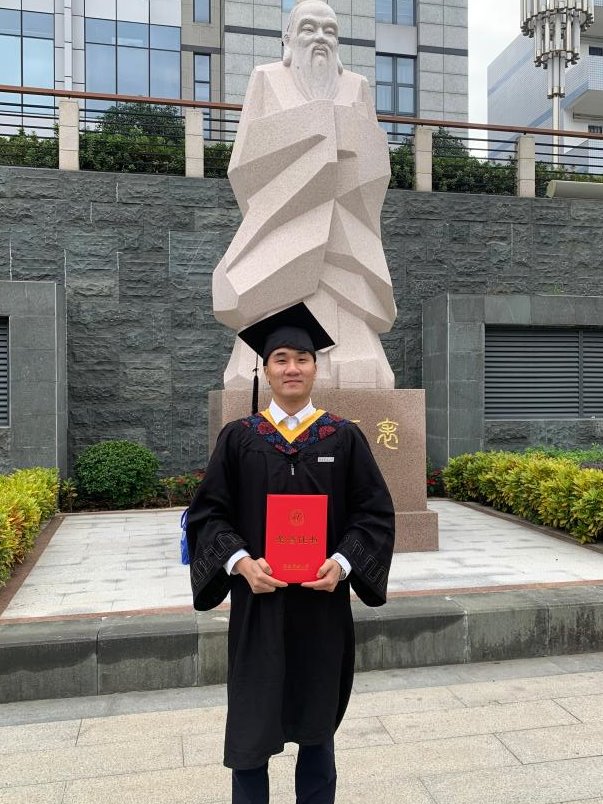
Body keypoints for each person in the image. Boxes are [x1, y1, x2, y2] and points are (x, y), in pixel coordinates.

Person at [186, 304, 395, 804]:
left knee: (317, 727)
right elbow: (208, 514)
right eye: (280, 359)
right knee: (251, 729)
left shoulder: (342, 436)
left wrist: (342, 563)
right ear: (265, 369)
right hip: (259, 605)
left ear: (316, 368)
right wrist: (240, 562)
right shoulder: (240, 438)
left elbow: (373, 514)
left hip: (322, 606)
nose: (292, 368)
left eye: (302, 358)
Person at [212, 0, 397, 391]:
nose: (320, 38)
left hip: (343, 224)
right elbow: (243, 162)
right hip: (288, 224)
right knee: (281, 282)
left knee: (346, 300)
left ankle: (354, 354)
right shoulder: (266, 78)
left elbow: (377, 165)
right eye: (309, 28)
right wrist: (317, 131)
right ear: (288, 38)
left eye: (330, 30)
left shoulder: (356, 86)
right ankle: (269, 360)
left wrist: (346, 141)